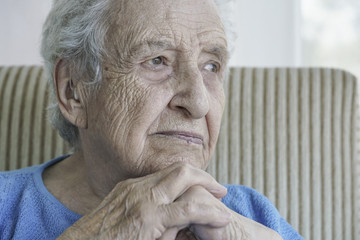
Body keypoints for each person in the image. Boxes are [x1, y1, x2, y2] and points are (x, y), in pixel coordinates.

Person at [0, 0, 303, 239]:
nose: (198, 103)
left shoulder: (252, 216)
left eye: (211, 66)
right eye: (157, 61)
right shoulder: (5, 208)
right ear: (74, 91)